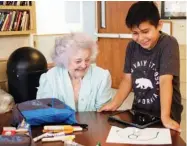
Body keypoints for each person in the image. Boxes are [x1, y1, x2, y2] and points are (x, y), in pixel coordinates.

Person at [99, 1, 183, 132]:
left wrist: (165, 117)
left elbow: (165, 80)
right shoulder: (132, 47)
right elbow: (128, 80)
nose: (141, 38)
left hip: (166, 112)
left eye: (145, 31)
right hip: (139, 110)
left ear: (159, 25)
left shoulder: (168, 44)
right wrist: (114, 103)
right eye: (135, 33)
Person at [37, 32, 114, 111]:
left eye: (87, 60)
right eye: (78, 61)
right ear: (65, 60)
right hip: (60, 123)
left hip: (91, 123)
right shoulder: (50, 78)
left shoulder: (102, 77)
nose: (84, 65)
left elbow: (103, 113)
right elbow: (44, 111)